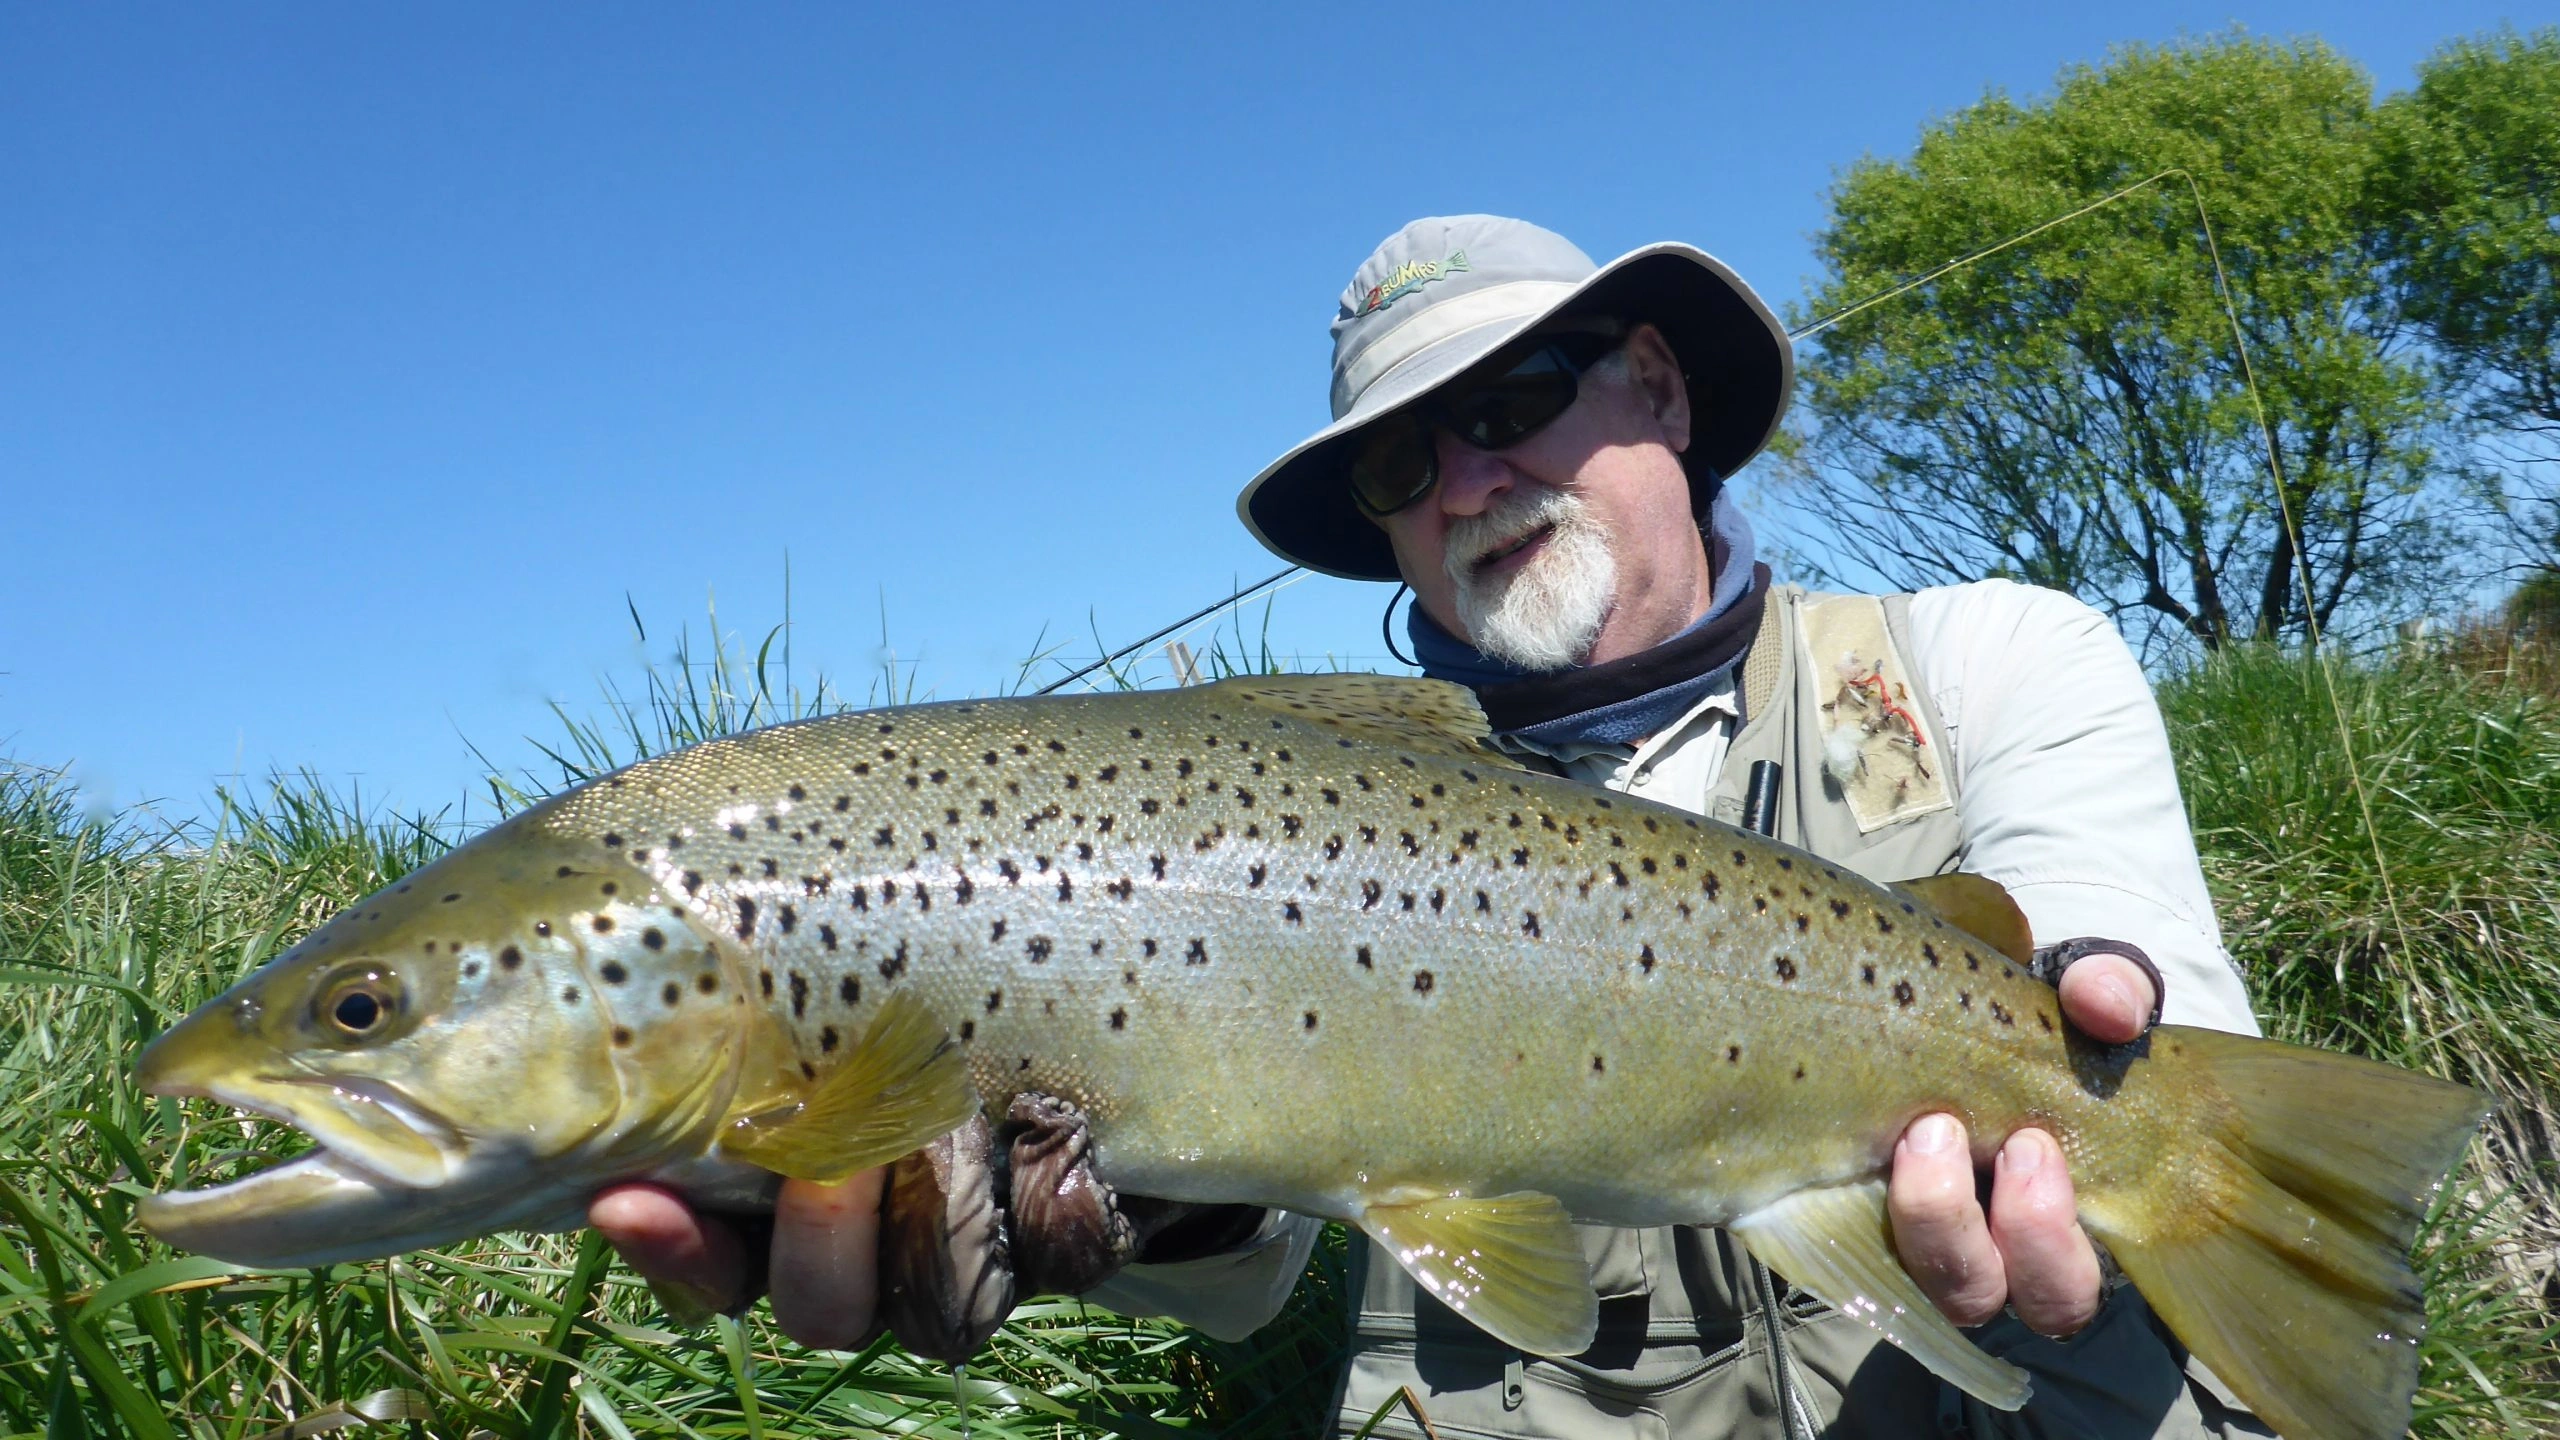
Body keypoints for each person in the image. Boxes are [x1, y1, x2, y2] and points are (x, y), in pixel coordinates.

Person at [592, 215, 2271, 1438]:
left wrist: (2102, 1007)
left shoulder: (1984, 658)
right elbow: (1249, 1281)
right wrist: (1121, 1209)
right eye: (1398, 466)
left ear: (1660, 387)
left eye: (1513, 398)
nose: (1463, 482)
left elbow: (2141, 979)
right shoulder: (1271, 825)